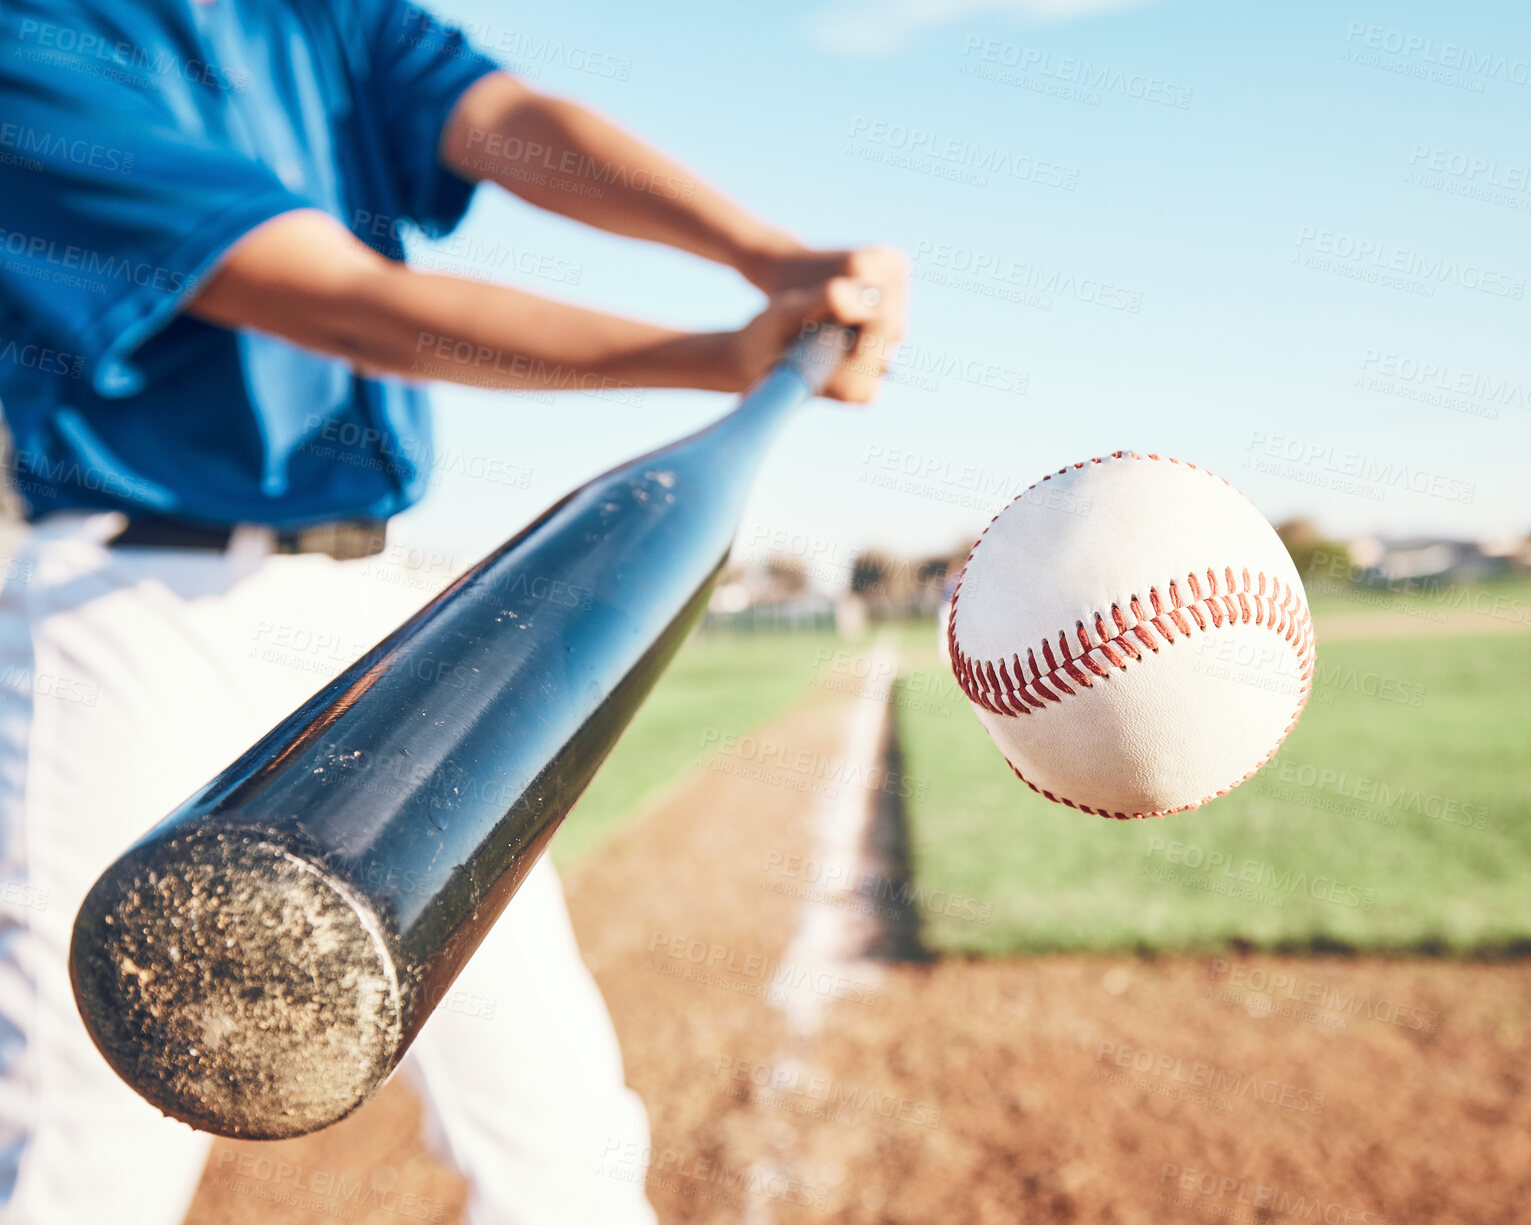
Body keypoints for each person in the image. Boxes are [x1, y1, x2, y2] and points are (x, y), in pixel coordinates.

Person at [0, 1, 907, 1221]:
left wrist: (766, 258)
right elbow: (341, 303)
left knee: (554, 1114)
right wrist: (716, 355)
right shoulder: (34, 44)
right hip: (128, 614)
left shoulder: (318, 13)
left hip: (376, 622)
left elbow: (514, 125)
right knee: (84, 1132)